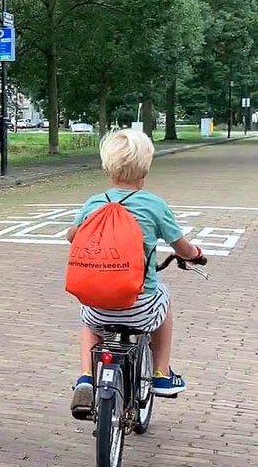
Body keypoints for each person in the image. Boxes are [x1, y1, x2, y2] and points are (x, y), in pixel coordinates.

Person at [67, 129, 205, 417]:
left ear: (107, 167)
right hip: (140, 308)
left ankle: (85, 377)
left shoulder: (94, 202)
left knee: (88, 321)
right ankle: (161, 372)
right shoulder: (154, 205)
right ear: (146, 167)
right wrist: (196, 255)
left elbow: (73, 236)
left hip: (100, 309)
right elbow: (182, 247)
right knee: (164, 299)